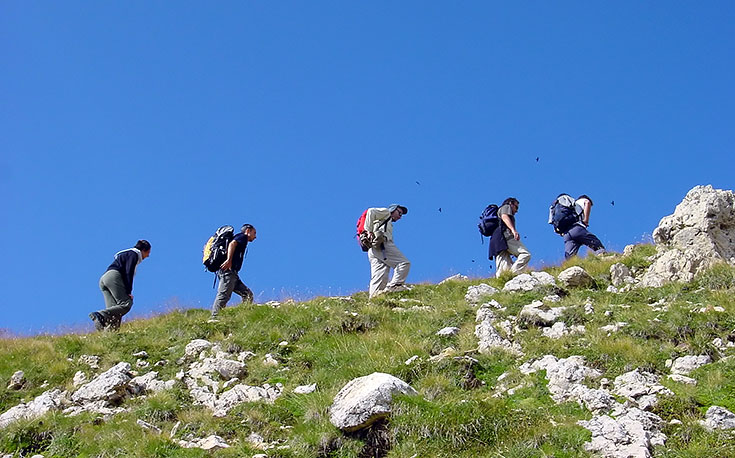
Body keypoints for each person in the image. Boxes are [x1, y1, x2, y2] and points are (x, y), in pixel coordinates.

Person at [89, 240, 151, 331]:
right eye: (148, 252)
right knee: (126, 303)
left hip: (105, 279)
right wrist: (128, 291)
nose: (148, 256)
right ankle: (100, 315)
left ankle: (110, 335)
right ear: (143, 250)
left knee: (114, 312)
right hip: (113, 277)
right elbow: (128, 272)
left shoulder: (127, 254)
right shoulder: (134, 254)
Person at [210, 224, 257, 319]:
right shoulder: (242, 237)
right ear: (248, 231)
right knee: (224, 295)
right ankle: (214, 318)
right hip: (228, 272)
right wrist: (229, 260)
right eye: (254, 233)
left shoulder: (241, 239)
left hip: (233, 274)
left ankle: (243, 315)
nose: (255, 236)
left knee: (247, 295)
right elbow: (232, 244)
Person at [364, 204, 411, 298]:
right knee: (404, 263)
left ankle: (374, 298)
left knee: (379, 274)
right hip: (383, 244)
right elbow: (371, 211)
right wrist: (368, 231)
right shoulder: (386, 213)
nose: (400, 216)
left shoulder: (385, 220)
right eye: (399, 213)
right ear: (393, 209)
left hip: (373, 248)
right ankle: (395, 286)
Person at [489, 197, 531, 277]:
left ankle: (504, 281)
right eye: (516, 207)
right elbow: (504, 216)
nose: (516, 210)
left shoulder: (499, 212)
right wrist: (513, 230)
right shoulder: (506, 207)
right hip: (505, 235)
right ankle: (512, 274)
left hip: (497, 240)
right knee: (525, 254)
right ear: (511, 203)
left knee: (503, 268)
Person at [562, 195, 606, 259]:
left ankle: (569, 267)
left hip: (567, 234)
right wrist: (586, 221)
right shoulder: (582, 201)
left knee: (570, 257)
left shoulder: (569, 207)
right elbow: (587, 202)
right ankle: (604, 259)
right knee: (597, 245)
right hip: (577, 229)